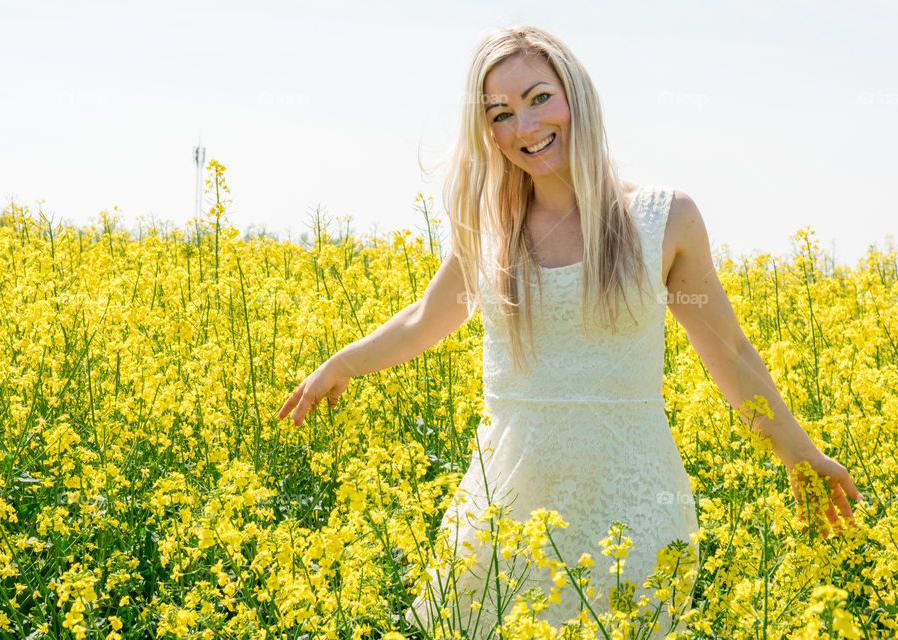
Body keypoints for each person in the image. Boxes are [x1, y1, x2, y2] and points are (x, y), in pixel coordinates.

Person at [276, 25, 865, 639]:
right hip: (505, 509)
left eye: (538, 98)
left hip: (634, 507)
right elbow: (425, 318)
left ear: (575, 95)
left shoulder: (665, 219)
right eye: (501, 114)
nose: (525, 128)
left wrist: (797, 450)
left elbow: (731, 353)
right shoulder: (489, 228)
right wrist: (339, 364)